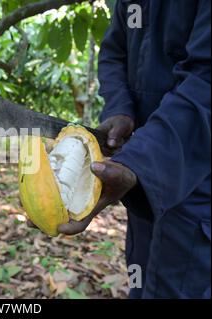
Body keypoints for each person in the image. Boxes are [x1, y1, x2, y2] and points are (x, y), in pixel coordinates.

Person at [57, 0, 211, 298]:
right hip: (141, 184)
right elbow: (115, 53)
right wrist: (121, 109)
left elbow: (205, 80)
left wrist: (142, 161)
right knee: (141, 275)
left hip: (198, 181)